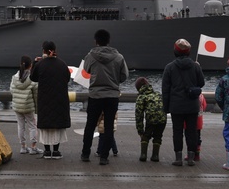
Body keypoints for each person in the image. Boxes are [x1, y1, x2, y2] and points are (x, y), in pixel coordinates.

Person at [80, 29, 129, 166]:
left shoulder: (90, 56)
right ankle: (104, 157)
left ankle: (85, 154)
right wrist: (114, 80)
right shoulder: (119, 57)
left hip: (95, 95)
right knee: (108, 127)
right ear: (109, 41)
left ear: (96, 41)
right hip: (112, 96)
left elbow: (86, 70)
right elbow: (124, 76)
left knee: (90, 125)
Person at [161, 38, 205, 166]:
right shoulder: (195, 66)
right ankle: (191, 158)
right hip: (192, 105)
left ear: (175, 51)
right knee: (192, 131)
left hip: (176, 105)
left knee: (177, 131)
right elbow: (201, 83)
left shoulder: (169, 67)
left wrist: (166, 107)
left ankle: (178, 158)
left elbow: (165, 89)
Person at [29, 40, 70, 159]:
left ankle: (47, 151)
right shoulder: (62, 64)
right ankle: (56, 151)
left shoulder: (41, 64)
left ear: (44, 51)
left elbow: (33, 78)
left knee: (46, 126)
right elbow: (67, 78)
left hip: (44, 100)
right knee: (57, 125)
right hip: (59, 99)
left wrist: (35, 62)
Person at [9, 55, 39, 155]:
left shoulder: (14, 78)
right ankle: (33, 147)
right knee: (32, 126)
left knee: (20, 126)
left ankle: (23, 147)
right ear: (30, 66)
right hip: (28, 107)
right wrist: (37, 108)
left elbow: (11, 91)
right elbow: (35, 95)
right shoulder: (32, 79)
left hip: (17, 106)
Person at [134, 77, 166, 162]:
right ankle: (155, 156)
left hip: (150, 119)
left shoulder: (141, 97)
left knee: (146, 136)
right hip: (163, 118)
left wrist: (140, 131)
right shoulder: (158, 94)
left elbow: (139, 115)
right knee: (158, 136)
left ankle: (143, 155)